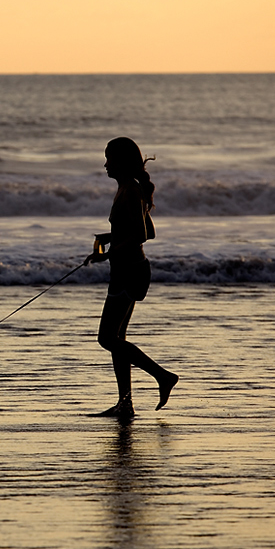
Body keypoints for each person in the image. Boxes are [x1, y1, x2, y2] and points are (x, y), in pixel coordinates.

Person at [85, 137, 178, 418]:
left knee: (106, 339)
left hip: (130, 271)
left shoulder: (129, 191)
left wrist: (107, 253)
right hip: (127, 270)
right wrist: (110, 236)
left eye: (109, 159)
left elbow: (141, 235)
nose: (105, 164)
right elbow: (144, 231)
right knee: (117, 338)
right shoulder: (127, 189)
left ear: (121, 162)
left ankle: (162, 376)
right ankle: (125, 403)